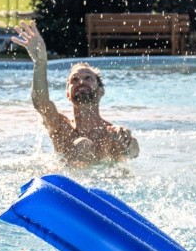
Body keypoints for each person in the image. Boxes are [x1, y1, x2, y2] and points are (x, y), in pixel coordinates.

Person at [10, 19, 139, 164]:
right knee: (83, 144)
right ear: (67, 94)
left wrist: (129, 141)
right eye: (74, 80)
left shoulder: (112, 133)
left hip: (106, 184)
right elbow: (40, 103)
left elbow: (134, 153)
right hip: (70, 182)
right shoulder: (61, 127)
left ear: (101, 90)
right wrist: (40, 63)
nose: (81, 82)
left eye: (88, 78)